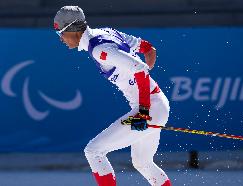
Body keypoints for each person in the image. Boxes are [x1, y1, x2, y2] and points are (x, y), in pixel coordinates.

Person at [54, 6, 171, 186]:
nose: (61, 39)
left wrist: (143, 112)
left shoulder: (99, 50)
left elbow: (140, 69)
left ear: (73, 30)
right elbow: (148, 48)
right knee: (143, 162)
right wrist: (144, 97)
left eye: (61, 33)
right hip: (157, 104)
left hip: (149, 109)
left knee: (93, 151)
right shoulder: (106, 32)